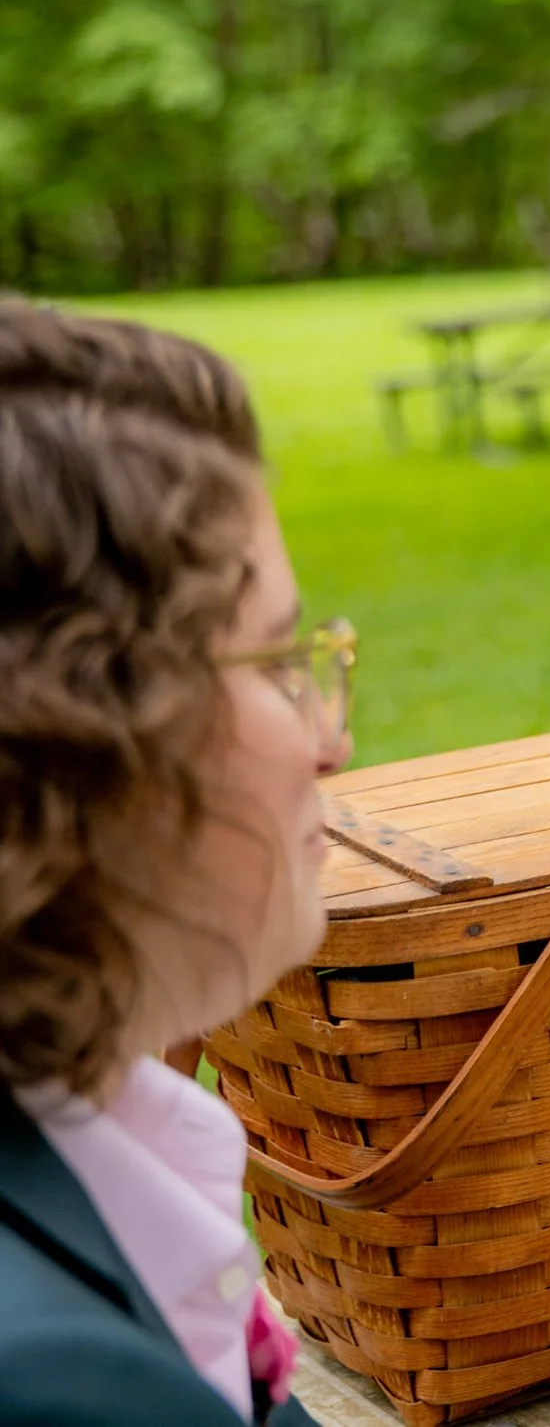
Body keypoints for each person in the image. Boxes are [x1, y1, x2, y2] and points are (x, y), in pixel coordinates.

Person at [0, 295, 348, 1425]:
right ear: (85, 732)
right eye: (282, 661)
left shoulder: (89, 1144)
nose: (329, 738)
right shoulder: (56, 1383)